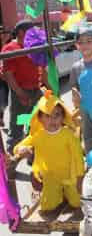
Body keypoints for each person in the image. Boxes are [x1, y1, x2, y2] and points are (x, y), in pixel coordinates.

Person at [13, 90, 84, 213]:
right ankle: (52, 192)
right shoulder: (37, 136)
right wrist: (21, 150)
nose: (53, 120)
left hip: (70, 175)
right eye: (48, 116)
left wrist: (79, 178)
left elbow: (78, 157)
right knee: (48, 207)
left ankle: (66, 193)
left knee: (77, 203)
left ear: (63, 117)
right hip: (50, 177)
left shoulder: (68, 135)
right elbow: (17, 148)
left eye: (57, 115)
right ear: (40, 118)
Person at [1, 20, 46, 154]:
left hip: (35, 92)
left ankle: (32, 156)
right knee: (17, 128)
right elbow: (8, 75)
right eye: (31, 31)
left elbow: (42, 70)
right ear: (21, 32)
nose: (35, 34)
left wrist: (51, 90)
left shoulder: (32, 46)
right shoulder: (11, 48)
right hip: (21, 95)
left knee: (37, 123)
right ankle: (11, 162)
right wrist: (21, 94)